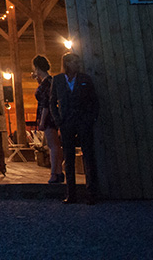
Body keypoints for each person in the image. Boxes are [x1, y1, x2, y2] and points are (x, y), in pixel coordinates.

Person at [49, 52, 99, 204]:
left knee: (88, 157)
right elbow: (52, 102)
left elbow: (94, 100)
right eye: (74, 62)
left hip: (83, 121)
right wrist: (58, 121)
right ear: (67, 64)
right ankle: (71, 194)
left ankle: (92, 193)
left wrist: (90, 119)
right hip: (67, 123)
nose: (77, 64)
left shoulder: (85, 79)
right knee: (68, 158)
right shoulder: (58, 80)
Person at [31, 54, 64, 184]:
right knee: (55, 145)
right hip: (53, 115)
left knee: (53, 145)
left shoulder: (46, 85)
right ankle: (59, 172)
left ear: (38, 68)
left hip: (48, 116)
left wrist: (42, 121)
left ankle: (54, 173)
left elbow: (45, 104)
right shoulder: (50, 81)